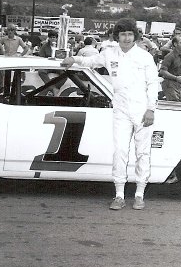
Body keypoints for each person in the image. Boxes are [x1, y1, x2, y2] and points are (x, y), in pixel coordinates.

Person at [61, 18, 158, 210]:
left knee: (143, 152)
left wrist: (150, 109)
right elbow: (90, 61)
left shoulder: (144, 56)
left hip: (141, 110)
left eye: (130, 34)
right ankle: (119, 194)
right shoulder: (108, 53)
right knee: (121, 151)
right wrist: (73, 59)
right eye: (123, 34)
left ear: (135, 36)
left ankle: (139, 193)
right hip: (120, 109)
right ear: (117, 36)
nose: (126, 38)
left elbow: (153, 83)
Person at [158, 36, 181, 102]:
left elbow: (178, 68)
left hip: (178, 84)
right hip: (169, 84)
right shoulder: (170, 56)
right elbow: (162, 71)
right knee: (174, 104)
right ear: (175, 44)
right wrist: (176, 78)